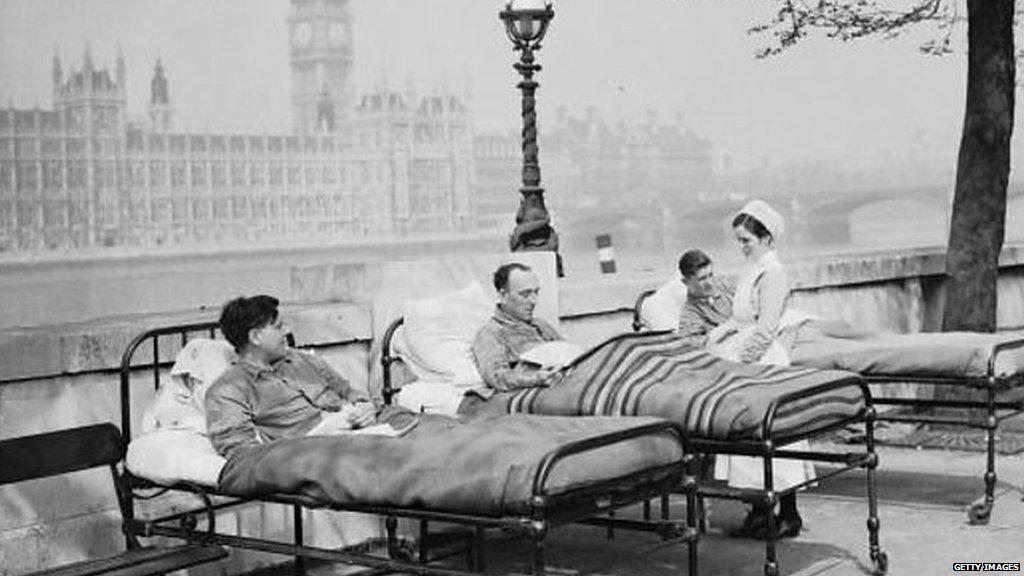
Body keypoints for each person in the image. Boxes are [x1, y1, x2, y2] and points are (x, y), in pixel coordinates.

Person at [705, 199, 813, 540]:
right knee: (747, 437)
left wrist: (742, 363)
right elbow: (741, 318)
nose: (742, 247)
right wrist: (717, 335)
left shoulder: (773, 273)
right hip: (744, 355)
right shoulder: (752, 270)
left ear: (766, 238)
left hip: (763, 362)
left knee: (774, 436)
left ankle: (789, 514)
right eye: (739, 241)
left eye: (746, 241)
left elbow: (766, 328)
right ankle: (759, 511)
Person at [205, 295, 378, 459]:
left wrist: (366, 407)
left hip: (361, 430)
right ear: (256, 337)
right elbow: (243, 455)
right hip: (317, 454)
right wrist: (317, 437)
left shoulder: (304, 360)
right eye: (278, 327)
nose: (287, 331)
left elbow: (348, 391)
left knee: (394, 417)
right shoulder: (229, 389)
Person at [470, 263, 564, 395]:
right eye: (525, 294)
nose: (534, 301)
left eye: (536, 292)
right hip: (537, 393)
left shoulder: (542, 325)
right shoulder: (491, 333)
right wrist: (535, 378)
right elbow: (496, 377)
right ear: (503, 296)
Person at [676, 248, 734, 346]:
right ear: (686, 282)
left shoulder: (724, 286)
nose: (709, 283)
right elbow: (696, 344)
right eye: (702, 279)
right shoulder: (689, 316)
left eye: (710, 275)